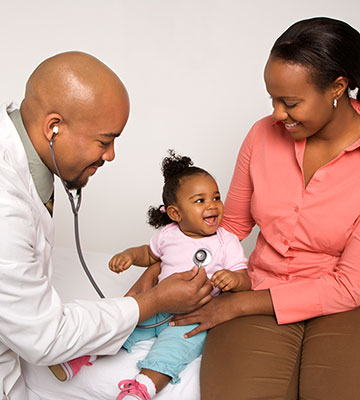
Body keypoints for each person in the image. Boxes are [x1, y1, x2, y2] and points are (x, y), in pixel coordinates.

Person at [131, 17, 360, 399]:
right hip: (258, 286)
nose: (276, 114)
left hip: (342, 307)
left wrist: (237, 307)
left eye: (290, 103)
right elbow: (230, 225)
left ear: (337, 87)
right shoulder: (262, 135)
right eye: (272, 99)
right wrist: (163, 264)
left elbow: (350, 286)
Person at [0, 51, 213, 400]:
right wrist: (151, 301)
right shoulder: (4, 207)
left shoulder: (24, 161)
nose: (111, 155)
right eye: (104, 140)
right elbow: (45, 336)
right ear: (53, 127)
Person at [54, 150, 250, 399]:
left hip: (192, 316)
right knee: (125, 327)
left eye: (216, 197)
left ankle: (143, 386)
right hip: (160, 306)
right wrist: (130, 256)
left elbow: (245, 279)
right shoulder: (169, 235)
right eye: (200, 201)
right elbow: (150, 254)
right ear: (175, 213)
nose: (212, 205)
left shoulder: (225, 242)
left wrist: (234, 280)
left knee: (176, 348)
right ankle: (82, 357)